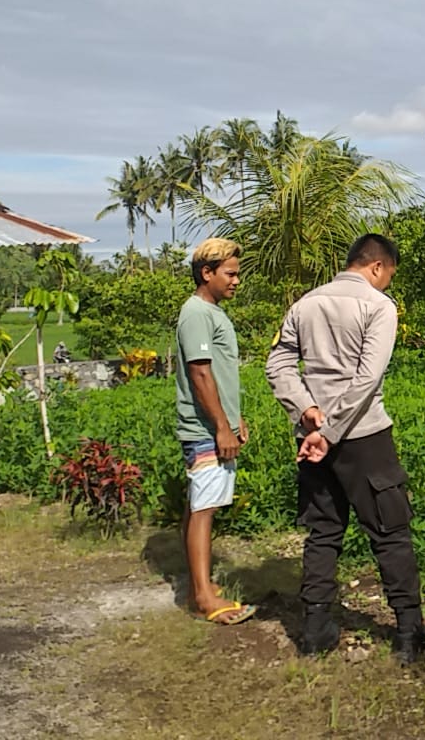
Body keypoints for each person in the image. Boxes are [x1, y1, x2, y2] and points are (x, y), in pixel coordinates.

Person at [265, 233, 424, 662]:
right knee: (390, 534)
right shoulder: (378, 306)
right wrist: (332, 431)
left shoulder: (305, 304)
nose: (388, 282)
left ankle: (315, 630)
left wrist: (307, 412)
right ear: (377, 266)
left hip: (314, 437)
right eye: (389, 274)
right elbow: (368, 378)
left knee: (323, 532)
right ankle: (409, 633)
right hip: (365, 439)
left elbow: (277, 364)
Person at [176, 237, 255, 626]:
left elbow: (217, 373)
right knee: (203, 510)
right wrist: (221, 426)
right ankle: (205, 598)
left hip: (216, 424)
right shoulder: (196, 314)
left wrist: (233, 417)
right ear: (206, 273)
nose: (236, 281)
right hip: (204, 429)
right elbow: (200, 371)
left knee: (201, 507)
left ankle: (199, 588)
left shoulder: (212, 312)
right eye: (230, 273)